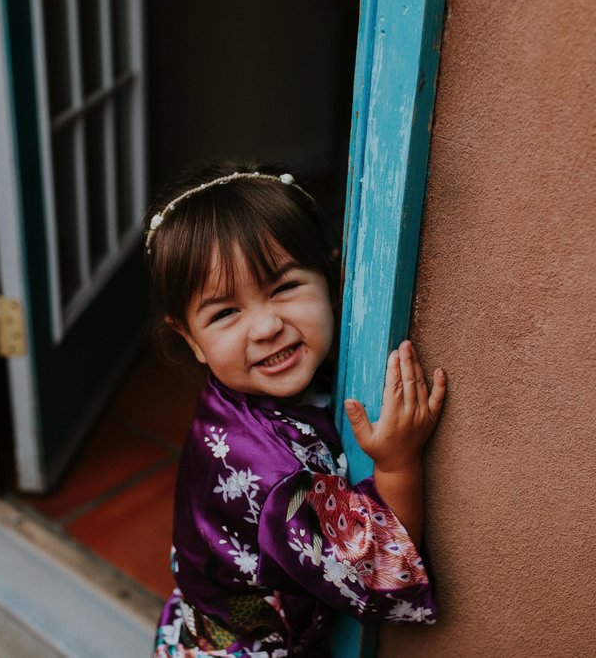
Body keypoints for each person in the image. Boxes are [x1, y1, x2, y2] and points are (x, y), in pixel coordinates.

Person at [146, 161, 446, 657]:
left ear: (331, 278)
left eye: (284, 288)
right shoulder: (272, 476)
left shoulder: (245, 386)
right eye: (225, 313)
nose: (265, 328)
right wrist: (398, 462)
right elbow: (377, 570)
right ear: (190, 339)